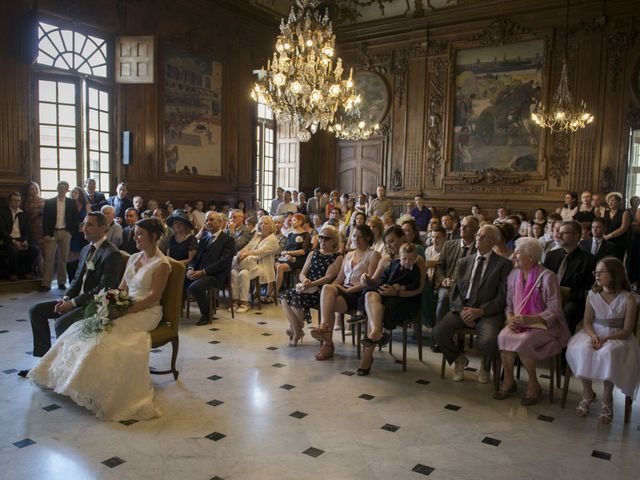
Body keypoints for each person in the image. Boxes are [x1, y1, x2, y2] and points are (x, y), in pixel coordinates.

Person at [27, 217, 170, 421]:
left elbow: (153, 297)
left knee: (107, 338)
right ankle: (70, 378)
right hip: (125, 305)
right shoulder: (133, 258)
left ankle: (101, 389)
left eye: (140, 234)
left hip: (146, 311)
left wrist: (125, 311)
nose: (135, 237)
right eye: (135, 233)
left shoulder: (162, 264)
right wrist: (110, 303)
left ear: (154, 237)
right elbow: (121, 288)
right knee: (82, 327)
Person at [26, 212, 122, 360]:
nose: (84, 228)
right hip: (76, 300)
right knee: (36, 310)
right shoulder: (85, 250)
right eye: (84, 224)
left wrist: (73, 303)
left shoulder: (111, 253)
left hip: (95, 304)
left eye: (90, 224)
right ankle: (43, 360)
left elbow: (105, 288)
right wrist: (66, 298)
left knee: (60, 324)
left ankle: (64, 363)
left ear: (103, 228)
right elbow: (77, 281)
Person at [494, 238, 570, 404]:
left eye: (518, 252)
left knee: (524, 341)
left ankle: (533, 385)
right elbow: (509, 304)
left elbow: (555, 310)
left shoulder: (548, 277)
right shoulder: (513, 275)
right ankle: (509, 380)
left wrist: (531, 319)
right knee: (503, 336)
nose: (514, 255)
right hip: (519, 322)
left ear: (531, 257)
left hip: (544, 325)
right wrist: (510, 318)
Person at [434, 225, 513, 383]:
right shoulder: (464, 262)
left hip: (488, 313)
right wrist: (462, 309)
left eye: (483, 236)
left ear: (493, 241)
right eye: (477, 235)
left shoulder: (503, 264)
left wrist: (481, 312)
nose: (477, 238)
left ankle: (485, 365)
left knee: (489, 340)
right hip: (463, 308)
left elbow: (502, 297)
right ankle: (459, 359)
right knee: (439, 332)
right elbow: (454, 291)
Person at [566, 257, 640, 424]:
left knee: (609, 352)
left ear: (614, 274)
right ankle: (587, 392)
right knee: (582, 349)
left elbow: (627, 330)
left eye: (601, 272)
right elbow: (587, 322)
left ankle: (607, 398)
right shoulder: (593, 294)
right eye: (595, 272)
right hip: (594, 332)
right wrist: (593, 336)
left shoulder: (628, 298)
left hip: (618, 335)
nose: (596, 275)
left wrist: (606, 338)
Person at [309, 224, 381, 360]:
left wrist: (345, 289)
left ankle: (327, 343)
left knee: (328, 301)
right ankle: (325, 330)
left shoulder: (373, 255)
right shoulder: (348, 255)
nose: (355, 239)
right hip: (344, 291)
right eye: (354, 236)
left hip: (359, 294)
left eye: (359, 237)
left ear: (368, 237)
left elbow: (369, 283)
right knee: (327, 289)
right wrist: (337, 287)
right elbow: (339, 278)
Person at [357, 242, 425, 375]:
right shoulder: (392, 264)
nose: (407, 262)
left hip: (404, 300)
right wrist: (382, 286)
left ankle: (380, 335)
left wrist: (400, 289)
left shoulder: (417, 267)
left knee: (381, 309)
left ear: (415, 258)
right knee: (370, 293)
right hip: (387, 293)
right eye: (404, 259)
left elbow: (416, 286)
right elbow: (382, 278)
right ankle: (376, 332)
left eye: (410, 259)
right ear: (400, 256)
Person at [280, 226, 343, 345]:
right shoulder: (313, 253)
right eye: (321, 237)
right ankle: (298, 329)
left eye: (327, 238)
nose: (322, 240)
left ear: (334, 240)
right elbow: (303, 272)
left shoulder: (338, 257)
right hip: (307, 286)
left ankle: (295, 330)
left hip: (323, 291)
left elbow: (328, 278)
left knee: (297, 298)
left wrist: (310, 284)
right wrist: (304, 281)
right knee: (284, 298)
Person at [543, 220, 596, 333]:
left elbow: (587, 289)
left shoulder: (589, 260)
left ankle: (564, 342)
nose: (559, 235)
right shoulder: (551, 255)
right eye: (559, 232)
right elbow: (542, 279)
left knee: (570, 309)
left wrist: (563, 296)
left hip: (572, 300)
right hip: (548, 296)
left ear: (576, 236)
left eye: (564, 233)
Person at [186, 212, 235, 325]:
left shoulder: (227, 240)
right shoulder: (205, 238)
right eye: (207, 220)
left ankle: (206, 314)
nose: (208, 222)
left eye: (212, 220)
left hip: (217, 275)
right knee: (179, 278)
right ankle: (177, 311)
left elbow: (223, 262)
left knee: (195, 287)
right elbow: (195, 258)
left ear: (220, 222)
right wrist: (190, 268)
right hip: (201, 273)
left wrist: (203, 272)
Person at [433, 215, 479, 328]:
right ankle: (438, 336)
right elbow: (439, 266)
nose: (462, 228)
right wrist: (443, 279)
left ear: (475, 230)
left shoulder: (478, 249)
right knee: (444, 297)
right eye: (462, 225)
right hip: (447, 285)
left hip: (467, 288)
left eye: (467, 227)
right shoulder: (449, 244)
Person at [230, 216, 280, 313]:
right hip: (249, 264)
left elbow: (261, 252)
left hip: (263, 266)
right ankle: (236, 300)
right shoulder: (257, 235)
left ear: (271, 225)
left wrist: (246, 254)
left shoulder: (273, 239)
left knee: (243, 272)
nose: (263, 225)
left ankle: (245, 302)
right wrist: (241, 253)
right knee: (234, 272)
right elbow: (248, 247)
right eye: (261, 223)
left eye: (266, 223)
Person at [41, 181, 78, 291]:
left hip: (65, 232)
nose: (62, 190)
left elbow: (75, 218)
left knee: (63, 259)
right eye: (60, 188)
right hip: (52, 232)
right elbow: (45, 220)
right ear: (57, 188)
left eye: (64, 188)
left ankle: (61, 282)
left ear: (67, 190)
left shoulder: (71, 203)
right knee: (48, 258)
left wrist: (71, 232)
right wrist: (46, 234)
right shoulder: (50, 202)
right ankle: (46, 283)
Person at [0, 192, 38, 279]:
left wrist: (25, 241)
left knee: (34, 249)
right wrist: (14, 242)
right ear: (9, 201)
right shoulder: (3, 212)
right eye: (14, 200)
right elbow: (2, 231)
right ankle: (13, 273)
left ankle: (27, 271)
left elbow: (26, 231)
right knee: (14, 250)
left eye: (18, 200)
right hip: (8, 239)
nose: (16, 202)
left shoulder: (23, 214)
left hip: (21, 239)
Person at [274, 213, 311, 297]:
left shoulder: (306, 235)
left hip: (299, 259)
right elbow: (285, 250)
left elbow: (303, 251)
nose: (291, 222)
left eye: (294, 220)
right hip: (288, 258)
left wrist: (289, 253)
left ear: (300, 221)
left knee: (280, 267)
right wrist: (285, 254)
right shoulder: (290, 234)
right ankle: (271, 290)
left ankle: (274, 293)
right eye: (291, 220)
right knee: (273, 264)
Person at [603, 191, 630, 260]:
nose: (610, 203)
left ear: (619, 201)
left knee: (616, 263)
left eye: (613, 200)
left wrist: (609, 236)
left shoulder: (625, 213)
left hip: (619, 242)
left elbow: (623, 228)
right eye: (608, 201)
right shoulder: (605, 212)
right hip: (606, 241)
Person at [69, 186, 91, 261]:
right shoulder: (68, 204)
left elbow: (90, 216)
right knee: (72, 253)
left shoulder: (85, 204)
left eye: (76, 193)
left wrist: (85, 223)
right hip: (72, 231)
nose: (73, 194)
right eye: (72, 192)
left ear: (80, 194)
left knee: (83, 253)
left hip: (83, 231)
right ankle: (71, 271)